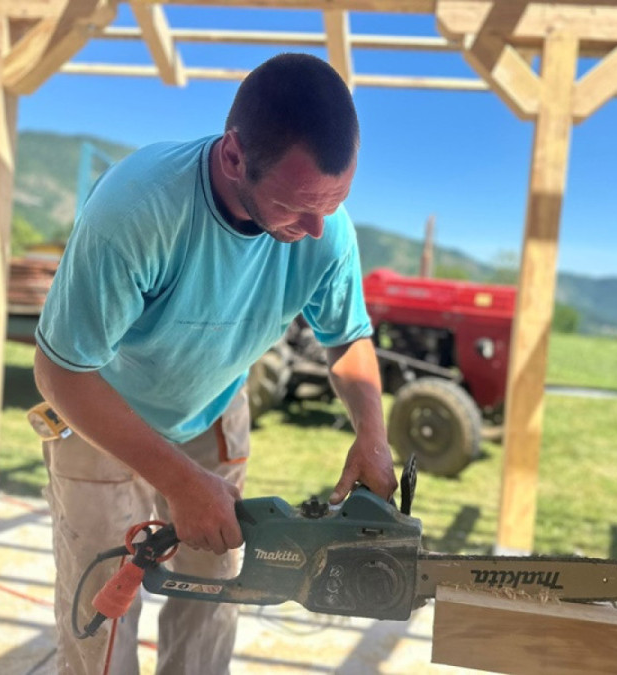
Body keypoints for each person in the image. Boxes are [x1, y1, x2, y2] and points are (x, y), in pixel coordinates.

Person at [33, 53, 397, 675]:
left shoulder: (324, 225)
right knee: (102, 609)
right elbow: (62, 372)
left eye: (334, 202)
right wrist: (178, 483)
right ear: (233, 156)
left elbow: (347, 339)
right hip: (100, 416)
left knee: (216, 594)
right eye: (296, 206)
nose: (316, 228)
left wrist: (372, 432)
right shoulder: (137, 210)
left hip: (212, 408)